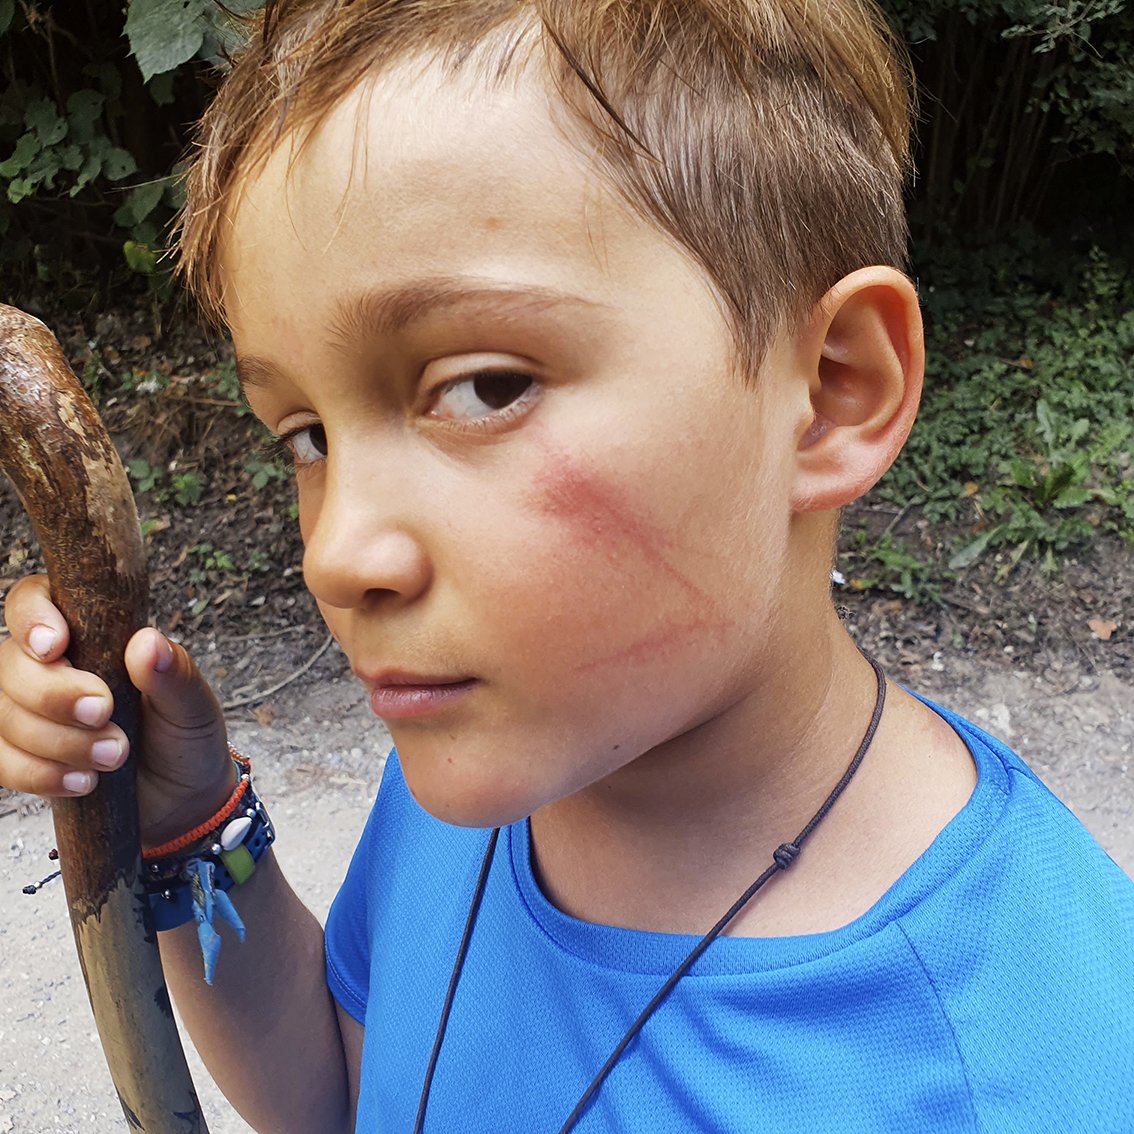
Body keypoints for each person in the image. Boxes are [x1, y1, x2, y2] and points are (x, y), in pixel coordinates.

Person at [2, 1, 1132, 1130]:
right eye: (307, 435)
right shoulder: (483, 778)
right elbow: (349, 1092)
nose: (340, 554)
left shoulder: (1029, 1067)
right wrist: (189, 830)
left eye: (487, 387)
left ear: (833, 390)